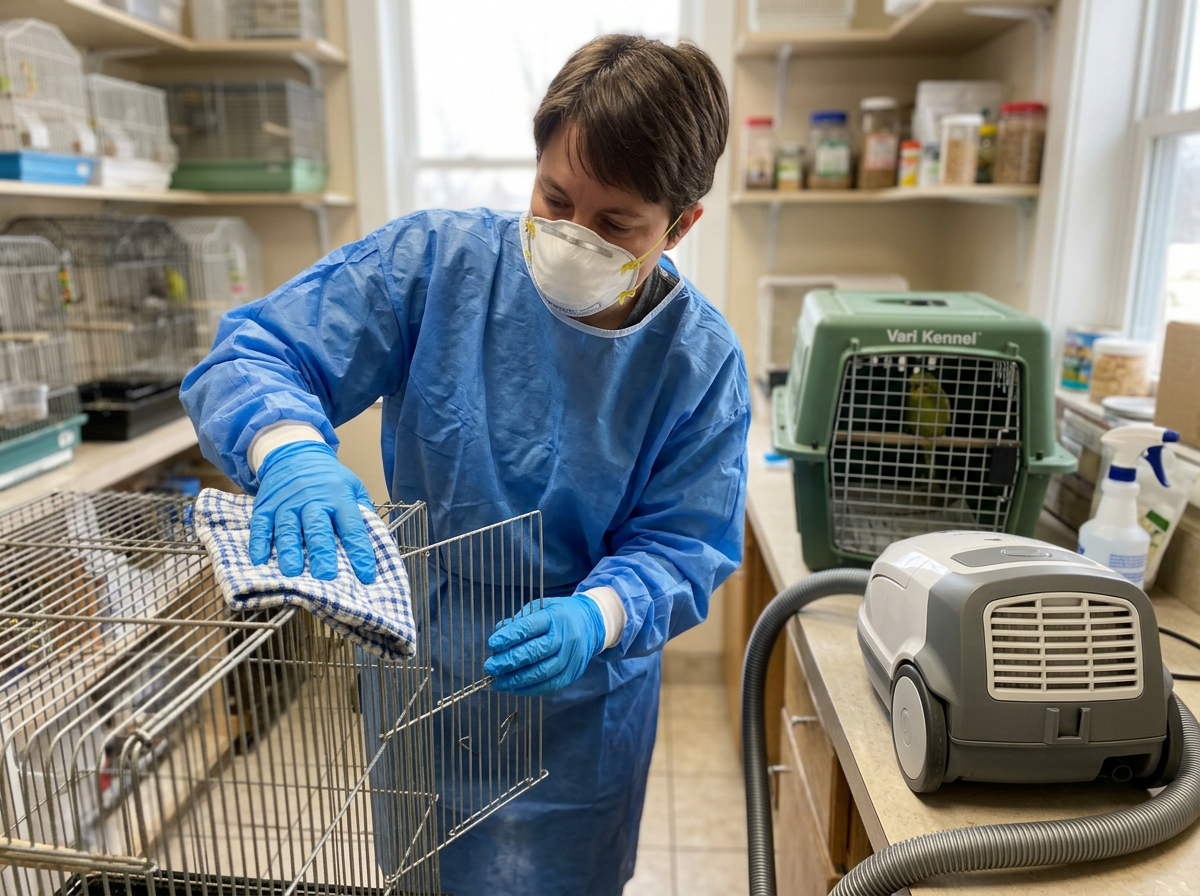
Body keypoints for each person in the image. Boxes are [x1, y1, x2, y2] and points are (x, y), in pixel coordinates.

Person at [181, 33, 749, 896]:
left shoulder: (698, 362)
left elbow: (685, 542)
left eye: (614, 223)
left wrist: (596, 616)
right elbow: (256, 353)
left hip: (582, 708)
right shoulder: (434, 266)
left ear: (680, 224)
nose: (570, 235)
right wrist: (290, 450)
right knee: (426, 876)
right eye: (553, 197)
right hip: (427, 680)